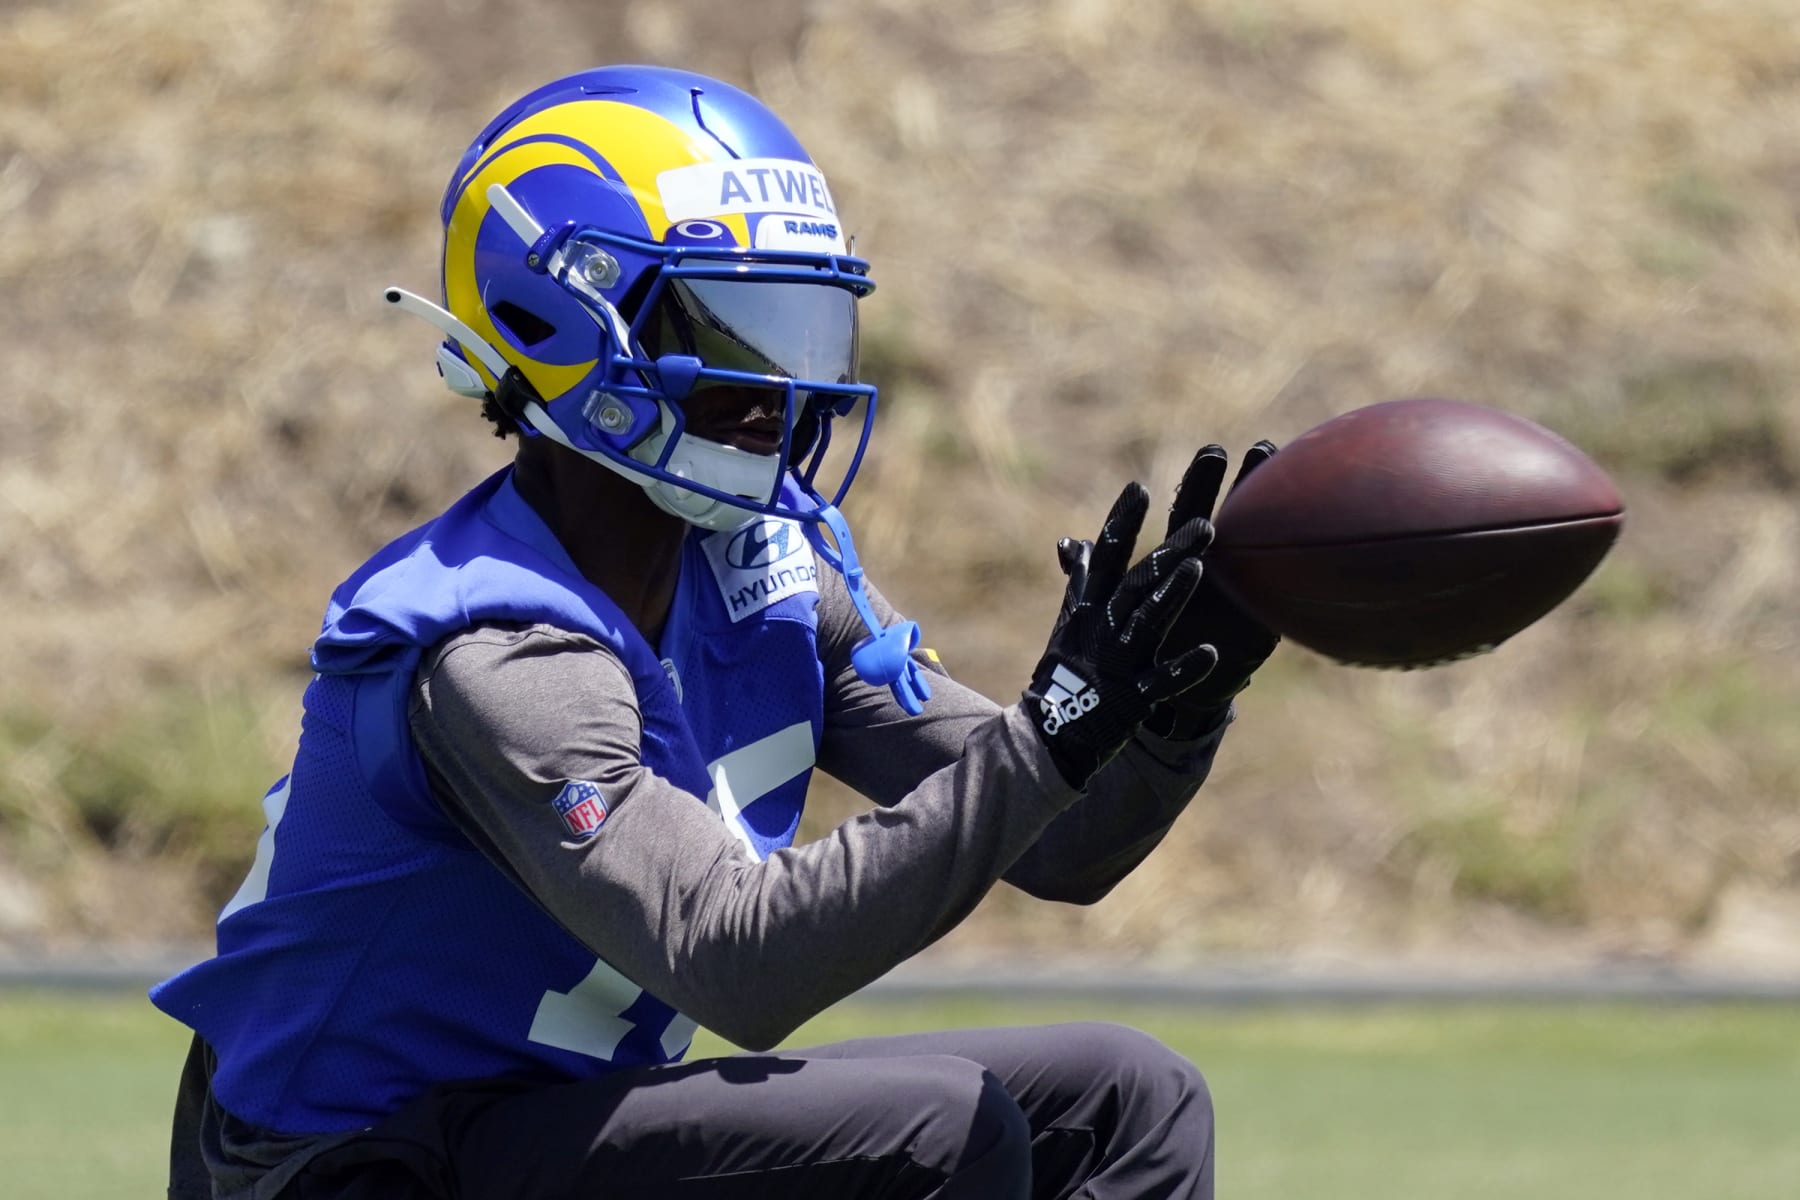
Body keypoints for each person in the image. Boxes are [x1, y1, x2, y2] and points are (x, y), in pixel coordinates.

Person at [151, 64, 1280, 1200]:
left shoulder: (768, 564)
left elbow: (1058, 841)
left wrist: (1173, 701)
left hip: (548, 1127)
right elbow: (735, 963)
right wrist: (1050, 738)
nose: (777, 384)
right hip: (343, 1166)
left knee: (1129, 1098)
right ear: (555, 318)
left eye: (800, 325)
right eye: (725, 325)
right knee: (940, 1128)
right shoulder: (498, 655)